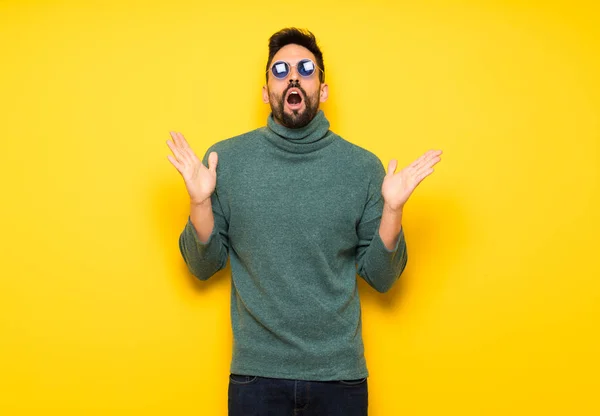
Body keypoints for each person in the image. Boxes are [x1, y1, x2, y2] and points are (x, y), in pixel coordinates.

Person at [166, 27, 442, 416]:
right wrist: (199, 201)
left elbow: (382, 278)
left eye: (304, 68)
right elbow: (202, 265)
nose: (292, 77)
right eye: (280, 70)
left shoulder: (362, 167)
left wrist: (393, 209)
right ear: (266, 92)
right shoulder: (223, 162)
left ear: (322, 89)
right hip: (256, 379)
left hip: (340, 379)